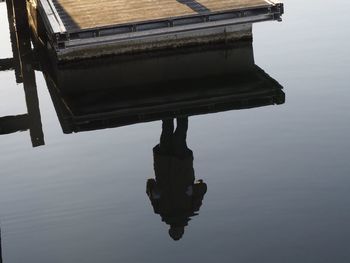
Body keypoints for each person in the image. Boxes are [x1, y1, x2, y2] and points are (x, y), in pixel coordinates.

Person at [146, 117, 207, 241]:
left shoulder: (161, 209)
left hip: (170, 162)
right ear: (181, 230)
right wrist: (193, 190)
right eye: (177, 232)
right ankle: (179, 108)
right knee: (175, 134)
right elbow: (203, 188)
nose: (175, 230)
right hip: (175, 163)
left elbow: (150, 184)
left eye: (174, 232)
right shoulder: (190, 209)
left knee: (171, 131)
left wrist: (154, 192)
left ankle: (177, 109)